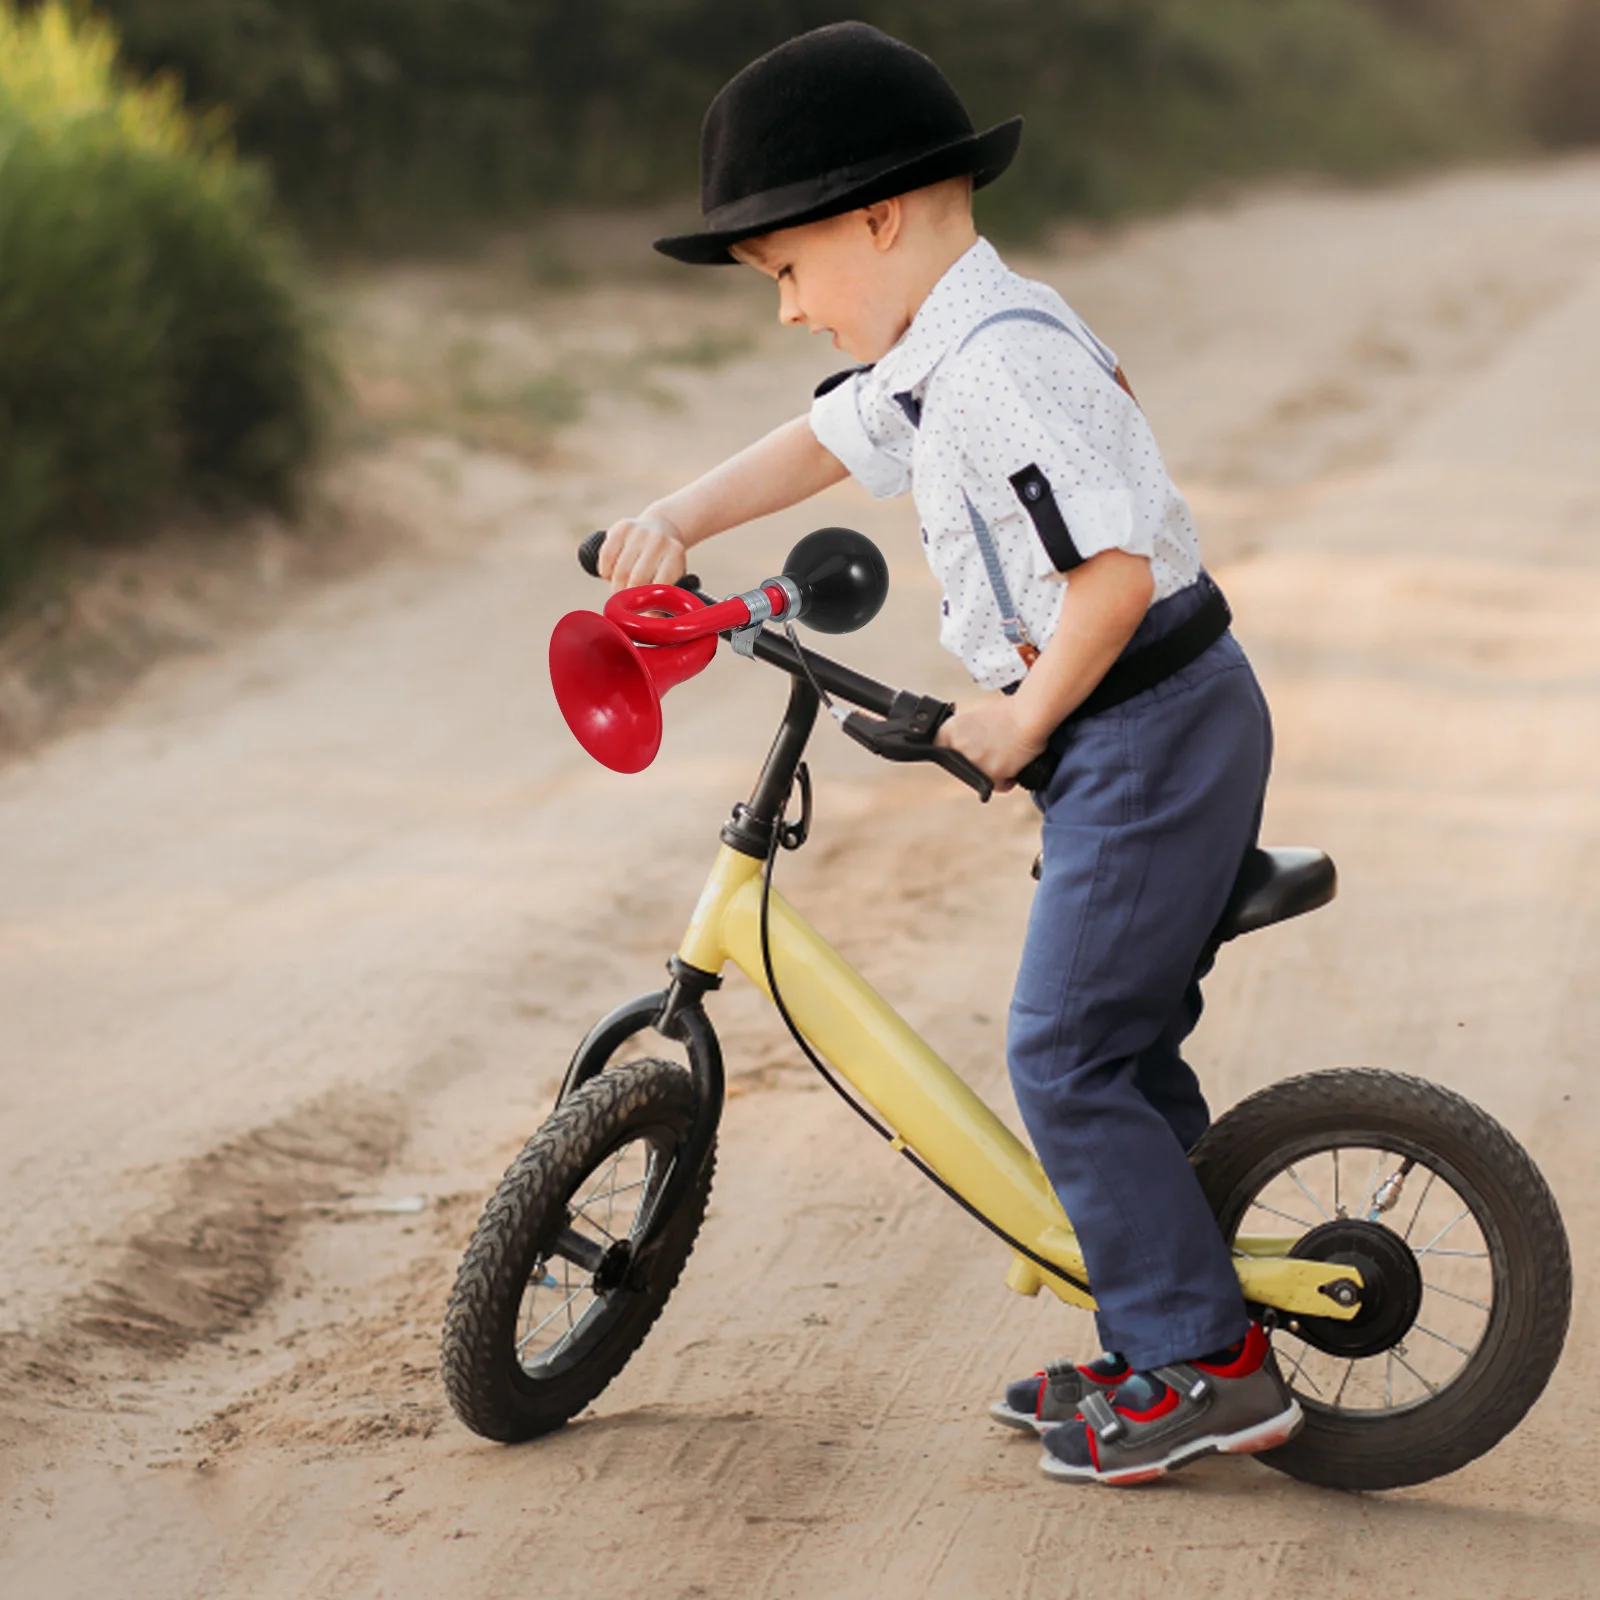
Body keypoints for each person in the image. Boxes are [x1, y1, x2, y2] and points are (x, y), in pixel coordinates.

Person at [598, 21, 1300, 1486]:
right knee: (1115, 1042)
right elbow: (817, 443)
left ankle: (1205, 1368)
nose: (786, 310)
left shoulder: (997, 370)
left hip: (1148, 726)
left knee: (1061, 1050)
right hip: (1135, 731)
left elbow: (1110, 576)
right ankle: (1168, 1314)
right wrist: (669, 520)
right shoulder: (944, 343)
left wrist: (1025, 717)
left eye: (788, 271)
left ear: (880, 216)